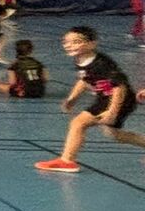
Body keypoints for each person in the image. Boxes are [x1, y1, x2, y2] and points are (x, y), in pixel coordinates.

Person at [35, 26, 145, 172]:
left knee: (78, 123)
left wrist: (112, 112)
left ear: (92, 44)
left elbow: (119, 87)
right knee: (116, 135)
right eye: (66, 42)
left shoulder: (102, 64)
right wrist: (72, 99)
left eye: (76, 42)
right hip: (105, 98)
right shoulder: (81, 60)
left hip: (118, 100)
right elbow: (85, 80)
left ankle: (67, 161)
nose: (69, 45)